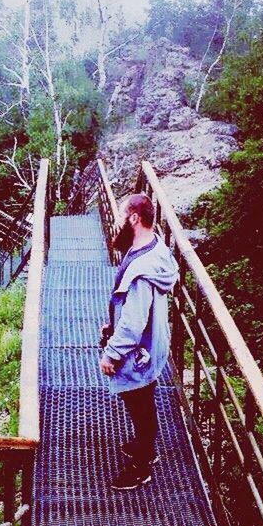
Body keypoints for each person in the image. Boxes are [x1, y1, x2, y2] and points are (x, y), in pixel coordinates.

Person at [99, 193, 179, 490]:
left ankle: (141, 466)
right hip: (154, 343)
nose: (118, 222)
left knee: (139, 405)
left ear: (133, 218)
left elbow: (133, 322)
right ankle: (145, 448)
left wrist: (112, 354)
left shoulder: (140, 271)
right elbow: (135, 310)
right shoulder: (155, 248)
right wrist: (114, 322)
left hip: (138, 351)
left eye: (121, 216)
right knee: (144, 401)